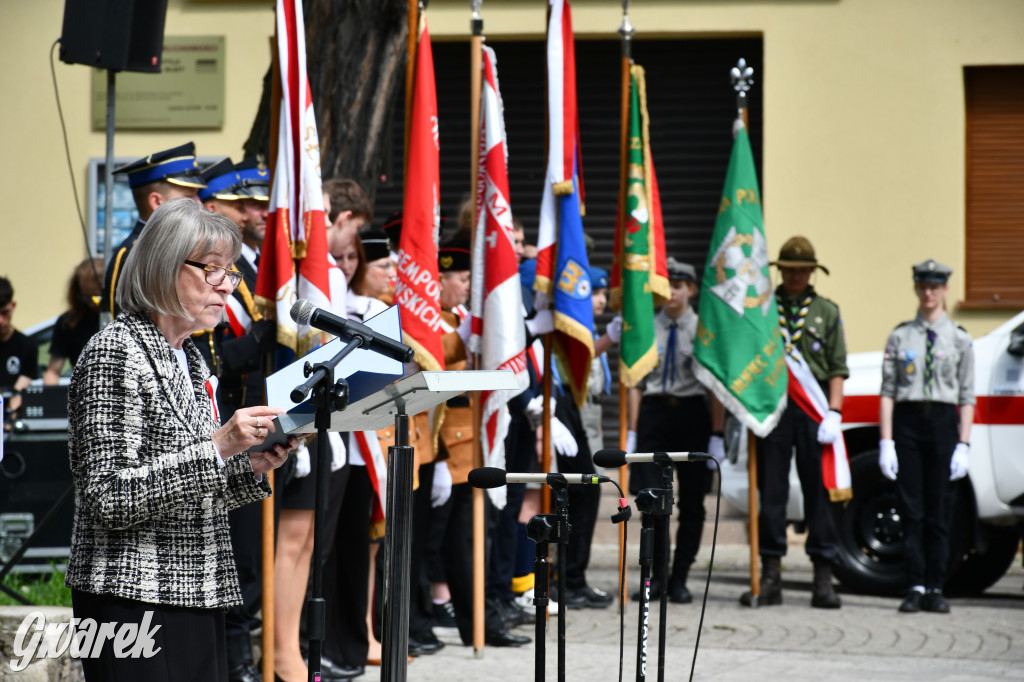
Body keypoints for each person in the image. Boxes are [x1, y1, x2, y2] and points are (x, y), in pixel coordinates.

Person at [65, 197, 296, 680]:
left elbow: (188, 481)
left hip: (195, 585)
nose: (227, 286)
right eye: (211, 270)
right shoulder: (115, 351)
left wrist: (249, 464)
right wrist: (219, 447)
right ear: (164, 266)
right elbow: (109, 496)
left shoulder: (189, 358)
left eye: (230, 273)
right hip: (128, 594)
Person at [195, 157, 278, 682]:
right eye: (245, 202)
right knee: (231, 551)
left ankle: (243, 651)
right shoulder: (223, 269)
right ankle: (234, 655)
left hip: (247, 424)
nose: (259, 211)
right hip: (222, 422)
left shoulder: (255, 267)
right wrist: (264, 336)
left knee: (249, 554)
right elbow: (217, 356)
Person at [741, 236, 847, 609]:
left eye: (803, 270)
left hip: (814, 410)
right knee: (771, 493)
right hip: (774, 406)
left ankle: (823, 575)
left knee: (819, 494)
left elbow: (836, 369)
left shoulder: (826, 312)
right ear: (780, 271)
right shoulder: (763, 309)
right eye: (790, 270)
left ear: (812, 272)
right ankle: (770, 573)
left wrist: (834, 412)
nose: (797, 276)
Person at [879, 258, 974, 614]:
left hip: (942, 423)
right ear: (916, 288)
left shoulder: (960, 339)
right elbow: (887, 391)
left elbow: (967, 397)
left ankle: (936, 585)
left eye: (935, 287)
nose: (928, 293)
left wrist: (963, 444)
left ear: (946, 289)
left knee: (940, 510)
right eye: (923, 286)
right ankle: (914, 585)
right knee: (911, 508)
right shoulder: (901, 335)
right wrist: (886, 441)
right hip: (908, 421)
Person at [628, 258, 723, 605]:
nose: (672, 293)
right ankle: (655, 577)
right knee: (653, 503)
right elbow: (635, 383)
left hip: (692, 416)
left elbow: (715, 386)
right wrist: (632, 432)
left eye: (679, 286)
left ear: (691, 289)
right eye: (667, 286)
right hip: (654, 416)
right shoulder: (646, 327)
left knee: (693, 503)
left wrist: (717, 433)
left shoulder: (703, 329)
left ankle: (680, 576)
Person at [102, 142, 206, 318]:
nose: (200, 203)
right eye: (189, 197)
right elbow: (127, 330)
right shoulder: (134, 254)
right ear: (157, 202)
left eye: (198, 195)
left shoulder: (181, 247)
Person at [43, 258, 103, 384]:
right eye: (85, 297)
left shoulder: (123, 319)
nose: (92, 303)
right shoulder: (68, 323)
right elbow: (53, 371)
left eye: (97, 297)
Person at [0, 276, 38, 422]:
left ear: (13, 306)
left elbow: (18, 397)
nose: (0, 320)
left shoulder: (27, 346)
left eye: (4, 312)